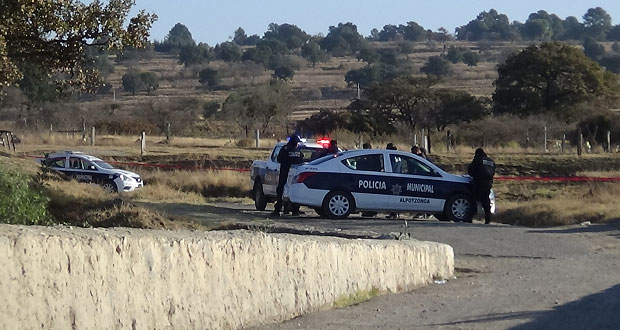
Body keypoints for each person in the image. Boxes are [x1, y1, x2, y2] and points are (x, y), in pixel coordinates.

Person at [271, 135, 304, 217]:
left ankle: (278, 209)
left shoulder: (285, 149)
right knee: (294, 191)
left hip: (284, 173)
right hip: (295, 175)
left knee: (281, 191)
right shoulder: (298, 151)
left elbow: (279, 159)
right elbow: (301, 160)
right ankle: (295, 210)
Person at [467, 148, 496, 224]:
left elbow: (471, 170)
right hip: (488, 184)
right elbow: (493, 173)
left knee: (473, 200)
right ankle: (488, 218)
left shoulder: (478, 159)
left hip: (478, 182)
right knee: (486, 201)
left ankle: (470, 217)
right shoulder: (491, 162)